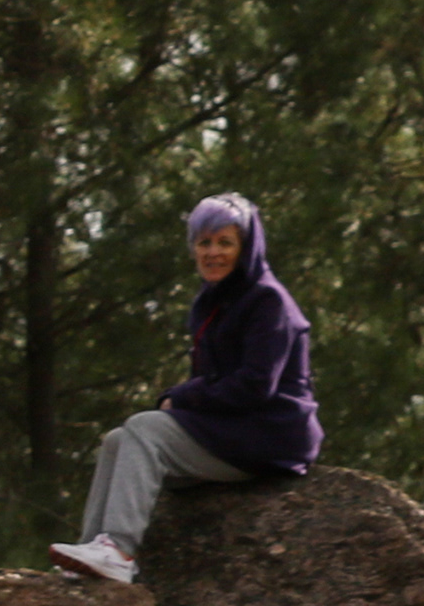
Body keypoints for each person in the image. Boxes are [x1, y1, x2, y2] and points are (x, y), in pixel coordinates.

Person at [50, 193, 320, 583]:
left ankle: (119, 551)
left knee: (145, 428)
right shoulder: (213, 303)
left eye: (225, 243)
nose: (213, 252)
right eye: (204, 242)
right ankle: (92, 553)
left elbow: (255, 386)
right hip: (233, 432)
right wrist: (184, 395)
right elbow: (213, 378)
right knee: (117, 440)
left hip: (269, 437)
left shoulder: (268, 301)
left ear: (246, 249)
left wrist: (184, 397)